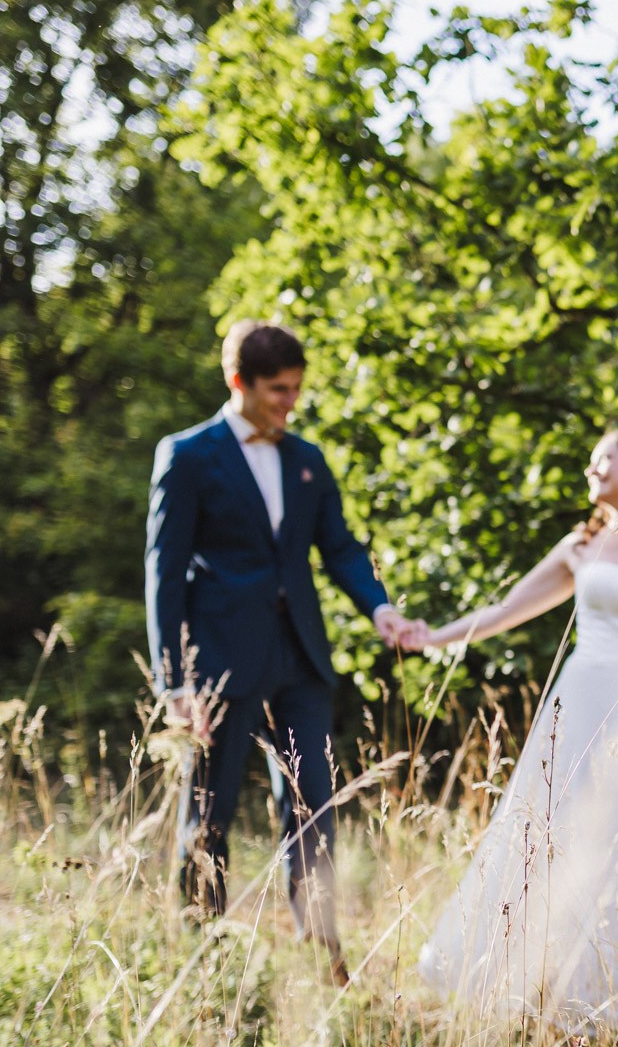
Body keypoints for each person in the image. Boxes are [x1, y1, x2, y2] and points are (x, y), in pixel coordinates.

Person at [413, 428, 618, 1047]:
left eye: (602, 459)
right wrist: (432, 637)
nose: (591, 469)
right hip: (581, 704)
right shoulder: (582, 545)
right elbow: (504, 611)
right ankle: (556, 992)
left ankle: (614, 997)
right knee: (554, 837)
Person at [145, 321, 425, 984]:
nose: (289, 403)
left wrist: (380, 607)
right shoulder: (186, 455)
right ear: (237, 382)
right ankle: (201, 946)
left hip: (299, 658)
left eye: (296, 389)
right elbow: (165, 567)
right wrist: (174, 682)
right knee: (209, 810)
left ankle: (320, 948)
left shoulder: (308, 458)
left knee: (314, 802)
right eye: (277, 390)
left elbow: (341, 549)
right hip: (218, 661)